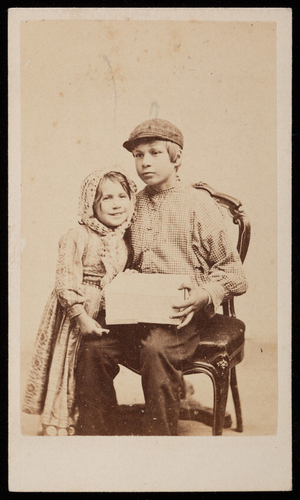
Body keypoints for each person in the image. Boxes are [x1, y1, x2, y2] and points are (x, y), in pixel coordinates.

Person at [74, 118, 248, 436]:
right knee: (92, 349)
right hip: (136, 311)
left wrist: (204, 294)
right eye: (138, 155)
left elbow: (234, 273)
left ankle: (161, 444)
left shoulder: (200, 206)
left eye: (154, 152)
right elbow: (113, 254)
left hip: (185, 313)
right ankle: (95, 437)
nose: (145, 162)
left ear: (176, 158)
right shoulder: (132, 204)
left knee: (156, 348)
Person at [22, 166, 137, 436]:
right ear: (91, 203)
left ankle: (97, 416)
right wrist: (81, 316)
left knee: (92, 363)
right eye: (106, 198)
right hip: (76, 313)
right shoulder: (77, 236)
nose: (116, 204)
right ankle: (61, 419)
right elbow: (65, 283)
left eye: (122, 196)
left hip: (106, 311)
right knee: (69, 364)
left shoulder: (122, 238)